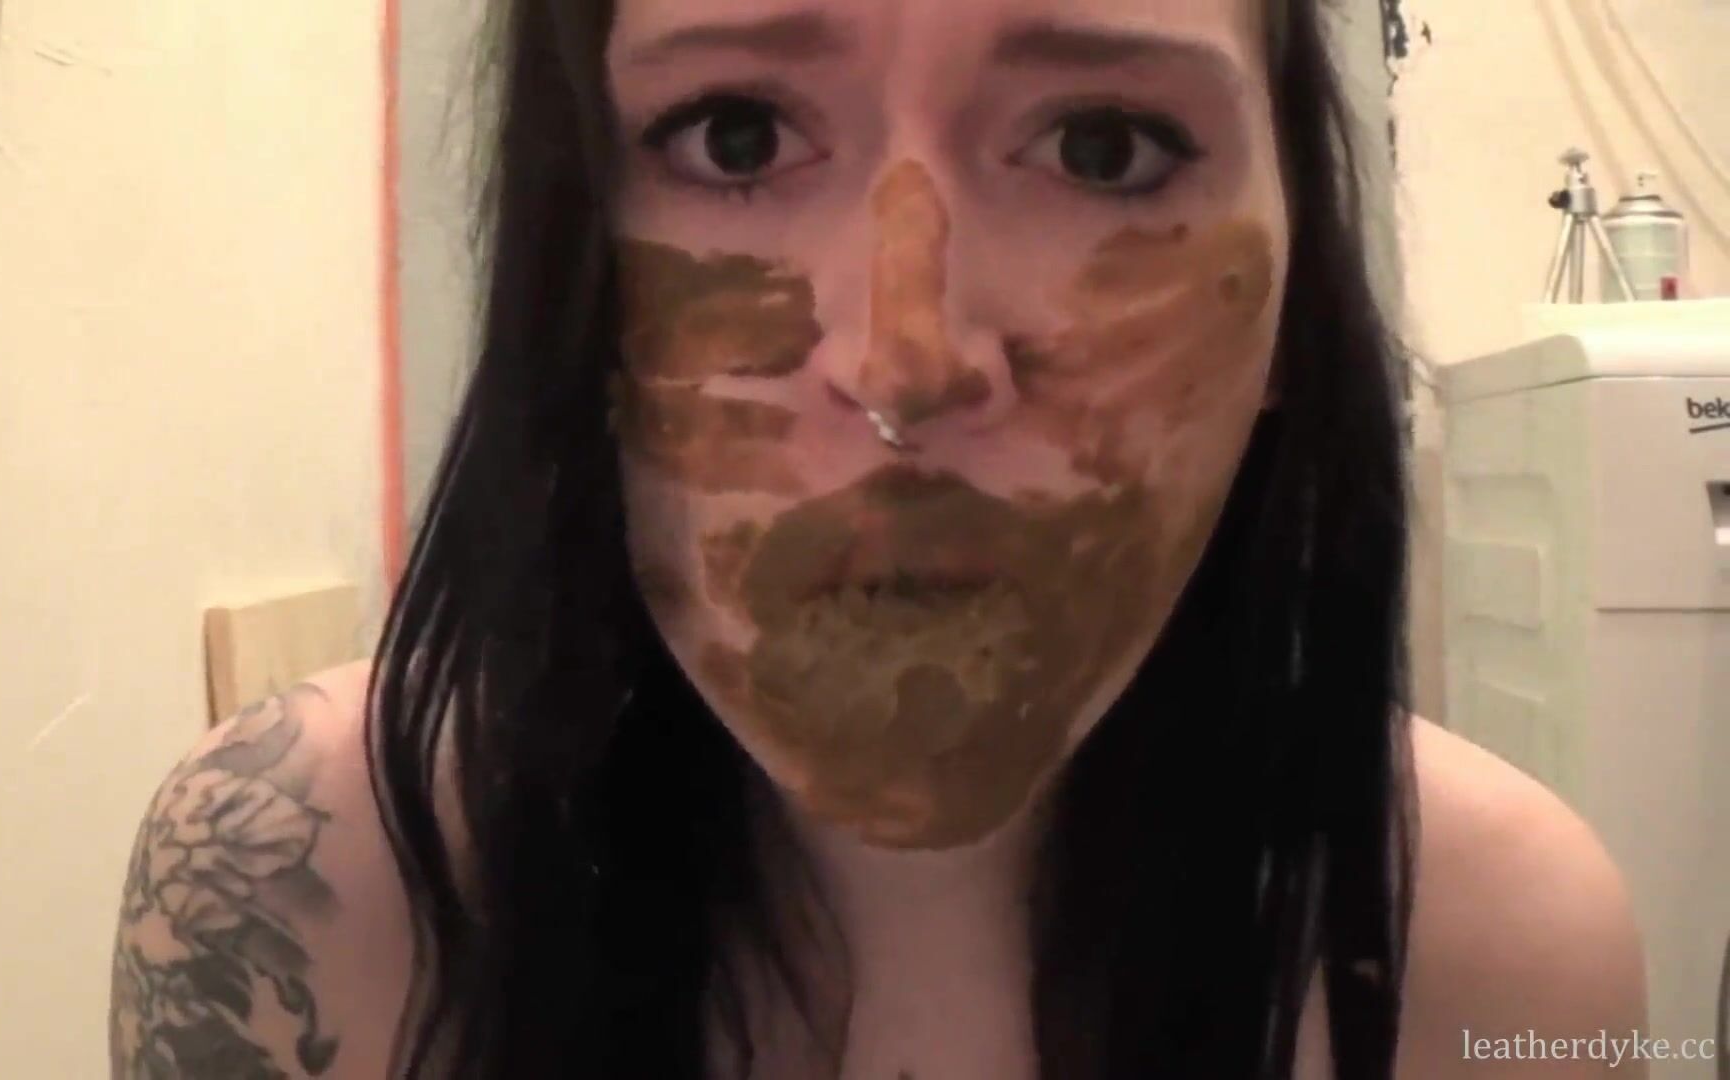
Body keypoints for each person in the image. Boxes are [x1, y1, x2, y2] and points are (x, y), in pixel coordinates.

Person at [109, 1, 1650, 1077]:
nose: (905, 362)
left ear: (1293, 297)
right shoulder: (296, 893)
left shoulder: (1501, 958)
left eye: (1104, 145)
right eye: (732, 136)